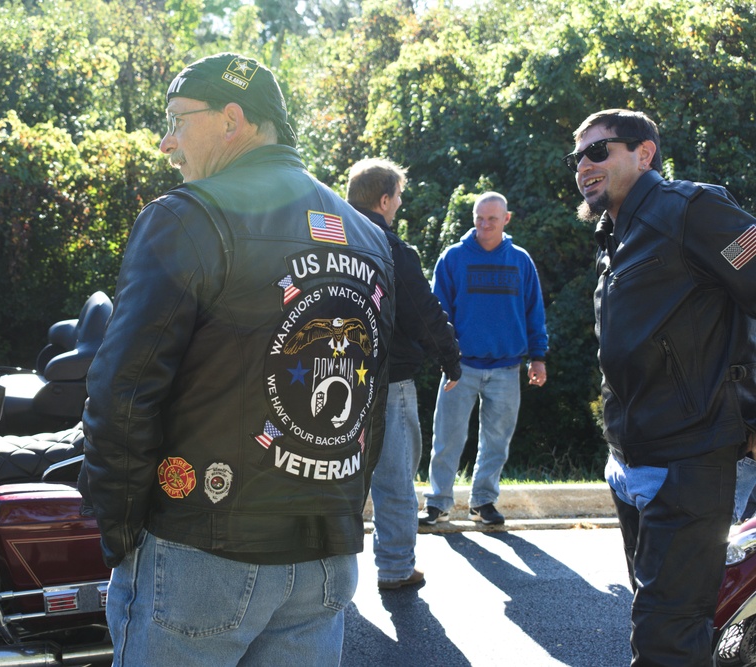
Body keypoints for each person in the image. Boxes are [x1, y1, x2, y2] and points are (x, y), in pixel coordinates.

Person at [79, 53, 396, 666]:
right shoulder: (366, 234)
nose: (167, 143)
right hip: (324, 560)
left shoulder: (187, 216)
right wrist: (342, 514)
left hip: (202, 550)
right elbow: (367, 400)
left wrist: (119, 532)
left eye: (176, 120)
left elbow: (123, 390)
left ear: (232, 119)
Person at [566, 108, 756, 666]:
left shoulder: (693, 211)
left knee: (666, 642)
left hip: (690, 459)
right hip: (633, 464)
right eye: (577, 156)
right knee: (669, 622)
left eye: (598, 151)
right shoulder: (615, 232)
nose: (583, 165)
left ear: (644, 152)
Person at [346, 157, 461, 590]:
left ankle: (331, 579)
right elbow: (422, 312)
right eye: (398, 198)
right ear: (383, 198)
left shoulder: (325, 241)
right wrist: (450, 358)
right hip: (388, 381)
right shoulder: (392, 249)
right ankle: (395, 569)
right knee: (394, 480)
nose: (399, 206)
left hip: (327, 380)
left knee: (337, 482)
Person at [420, 192, 549, 527]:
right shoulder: (453, 258)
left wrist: (539, 358)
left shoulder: (521, 260)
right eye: (479, 217)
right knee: (447, 438)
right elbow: (437, 313)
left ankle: (483, 502)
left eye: (492, 218)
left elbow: (535, 312)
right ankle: (437, 503)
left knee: (496, 442)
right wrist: (445, 359)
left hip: (507, 367)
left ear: (506, 219)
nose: (484, 224)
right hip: (460, 367)